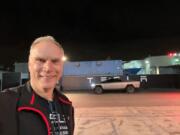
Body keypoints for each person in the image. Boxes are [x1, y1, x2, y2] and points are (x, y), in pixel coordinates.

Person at [0, 36, 74, 135]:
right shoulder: (5, 102)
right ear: (29, 65)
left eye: (55, 61)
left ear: (62, 66)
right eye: (41, 60)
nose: (48, 68)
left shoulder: (66, 105)